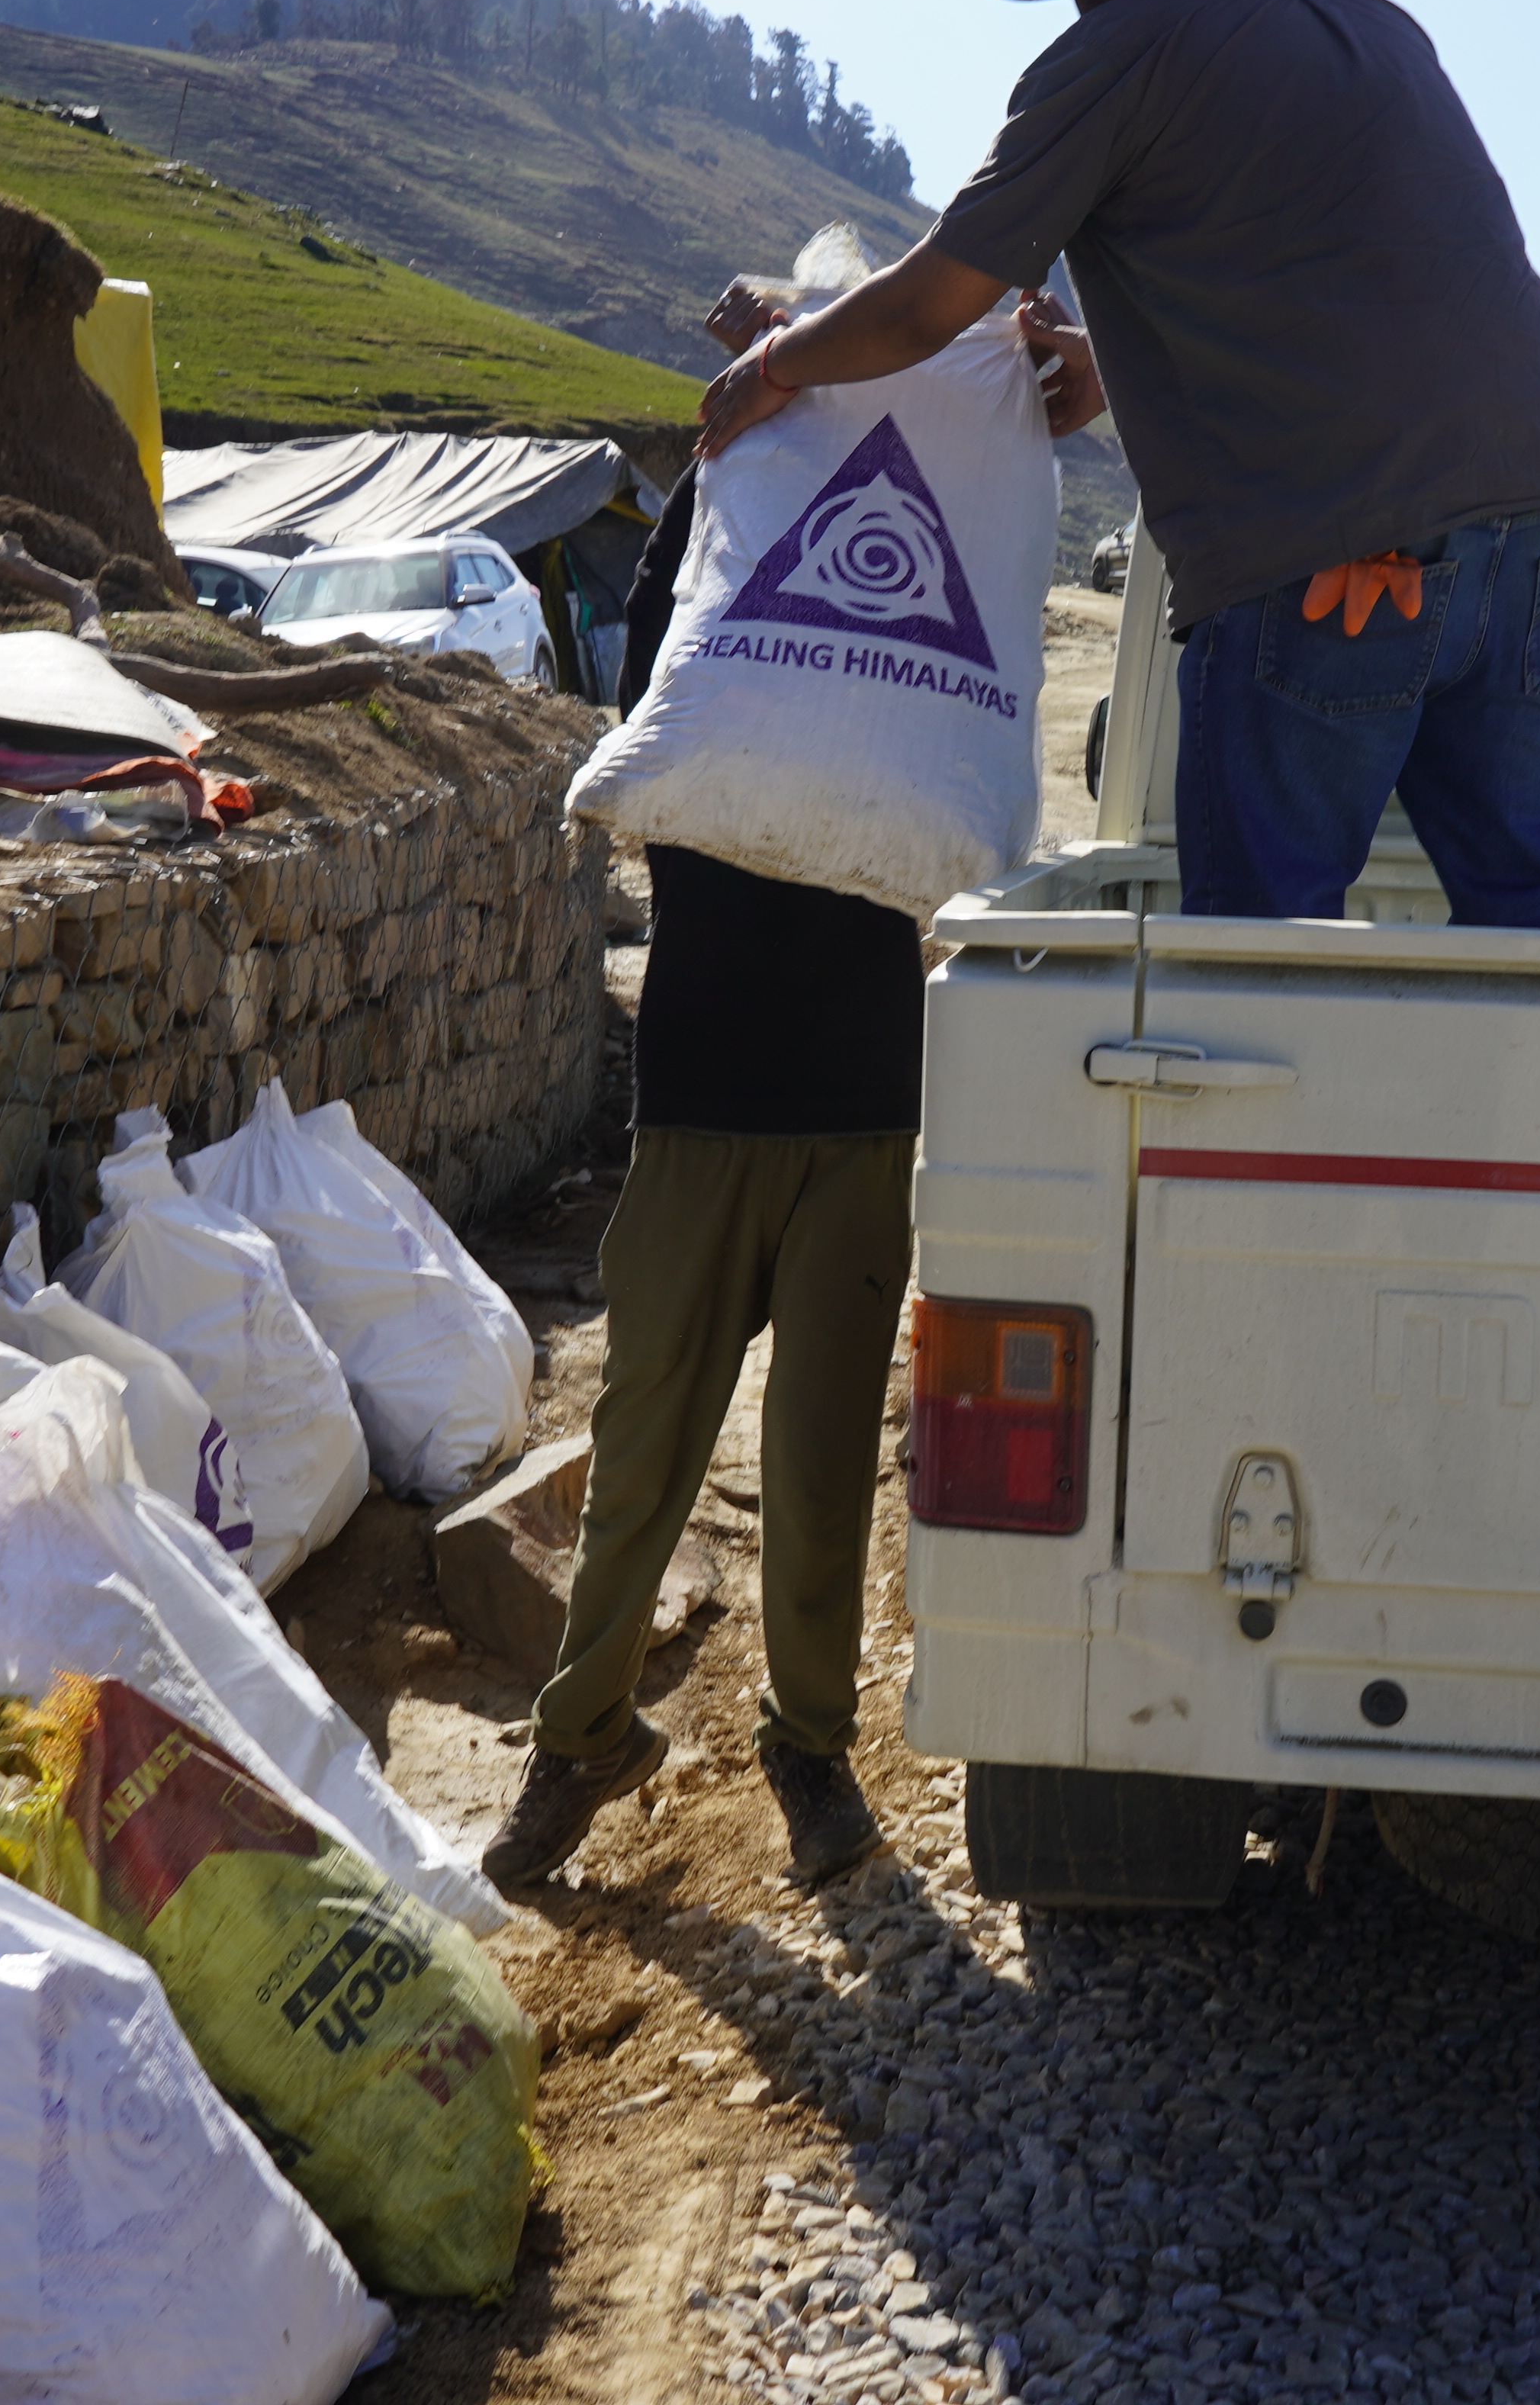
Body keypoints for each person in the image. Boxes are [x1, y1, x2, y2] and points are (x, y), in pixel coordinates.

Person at [694, 0, 1540, 931]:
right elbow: (1337, 273)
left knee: (1254, 957)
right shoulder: (1375, 23)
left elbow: (927, 303)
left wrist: (774, 362)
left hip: (1335, 560)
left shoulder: (1120, 48)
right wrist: (1108, 365)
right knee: (1534, 918)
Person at [480, 266, 1092, 1895]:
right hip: (700, 1091)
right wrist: (761, 394)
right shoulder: (731, 531)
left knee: (823, 1472)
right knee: (641, 1449)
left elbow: (1057, 419)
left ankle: (809, 1753)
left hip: (867, 1102)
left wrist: (1009, 362)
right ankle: (580, 1739)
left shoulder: (959, 514)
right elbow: (670, 676)